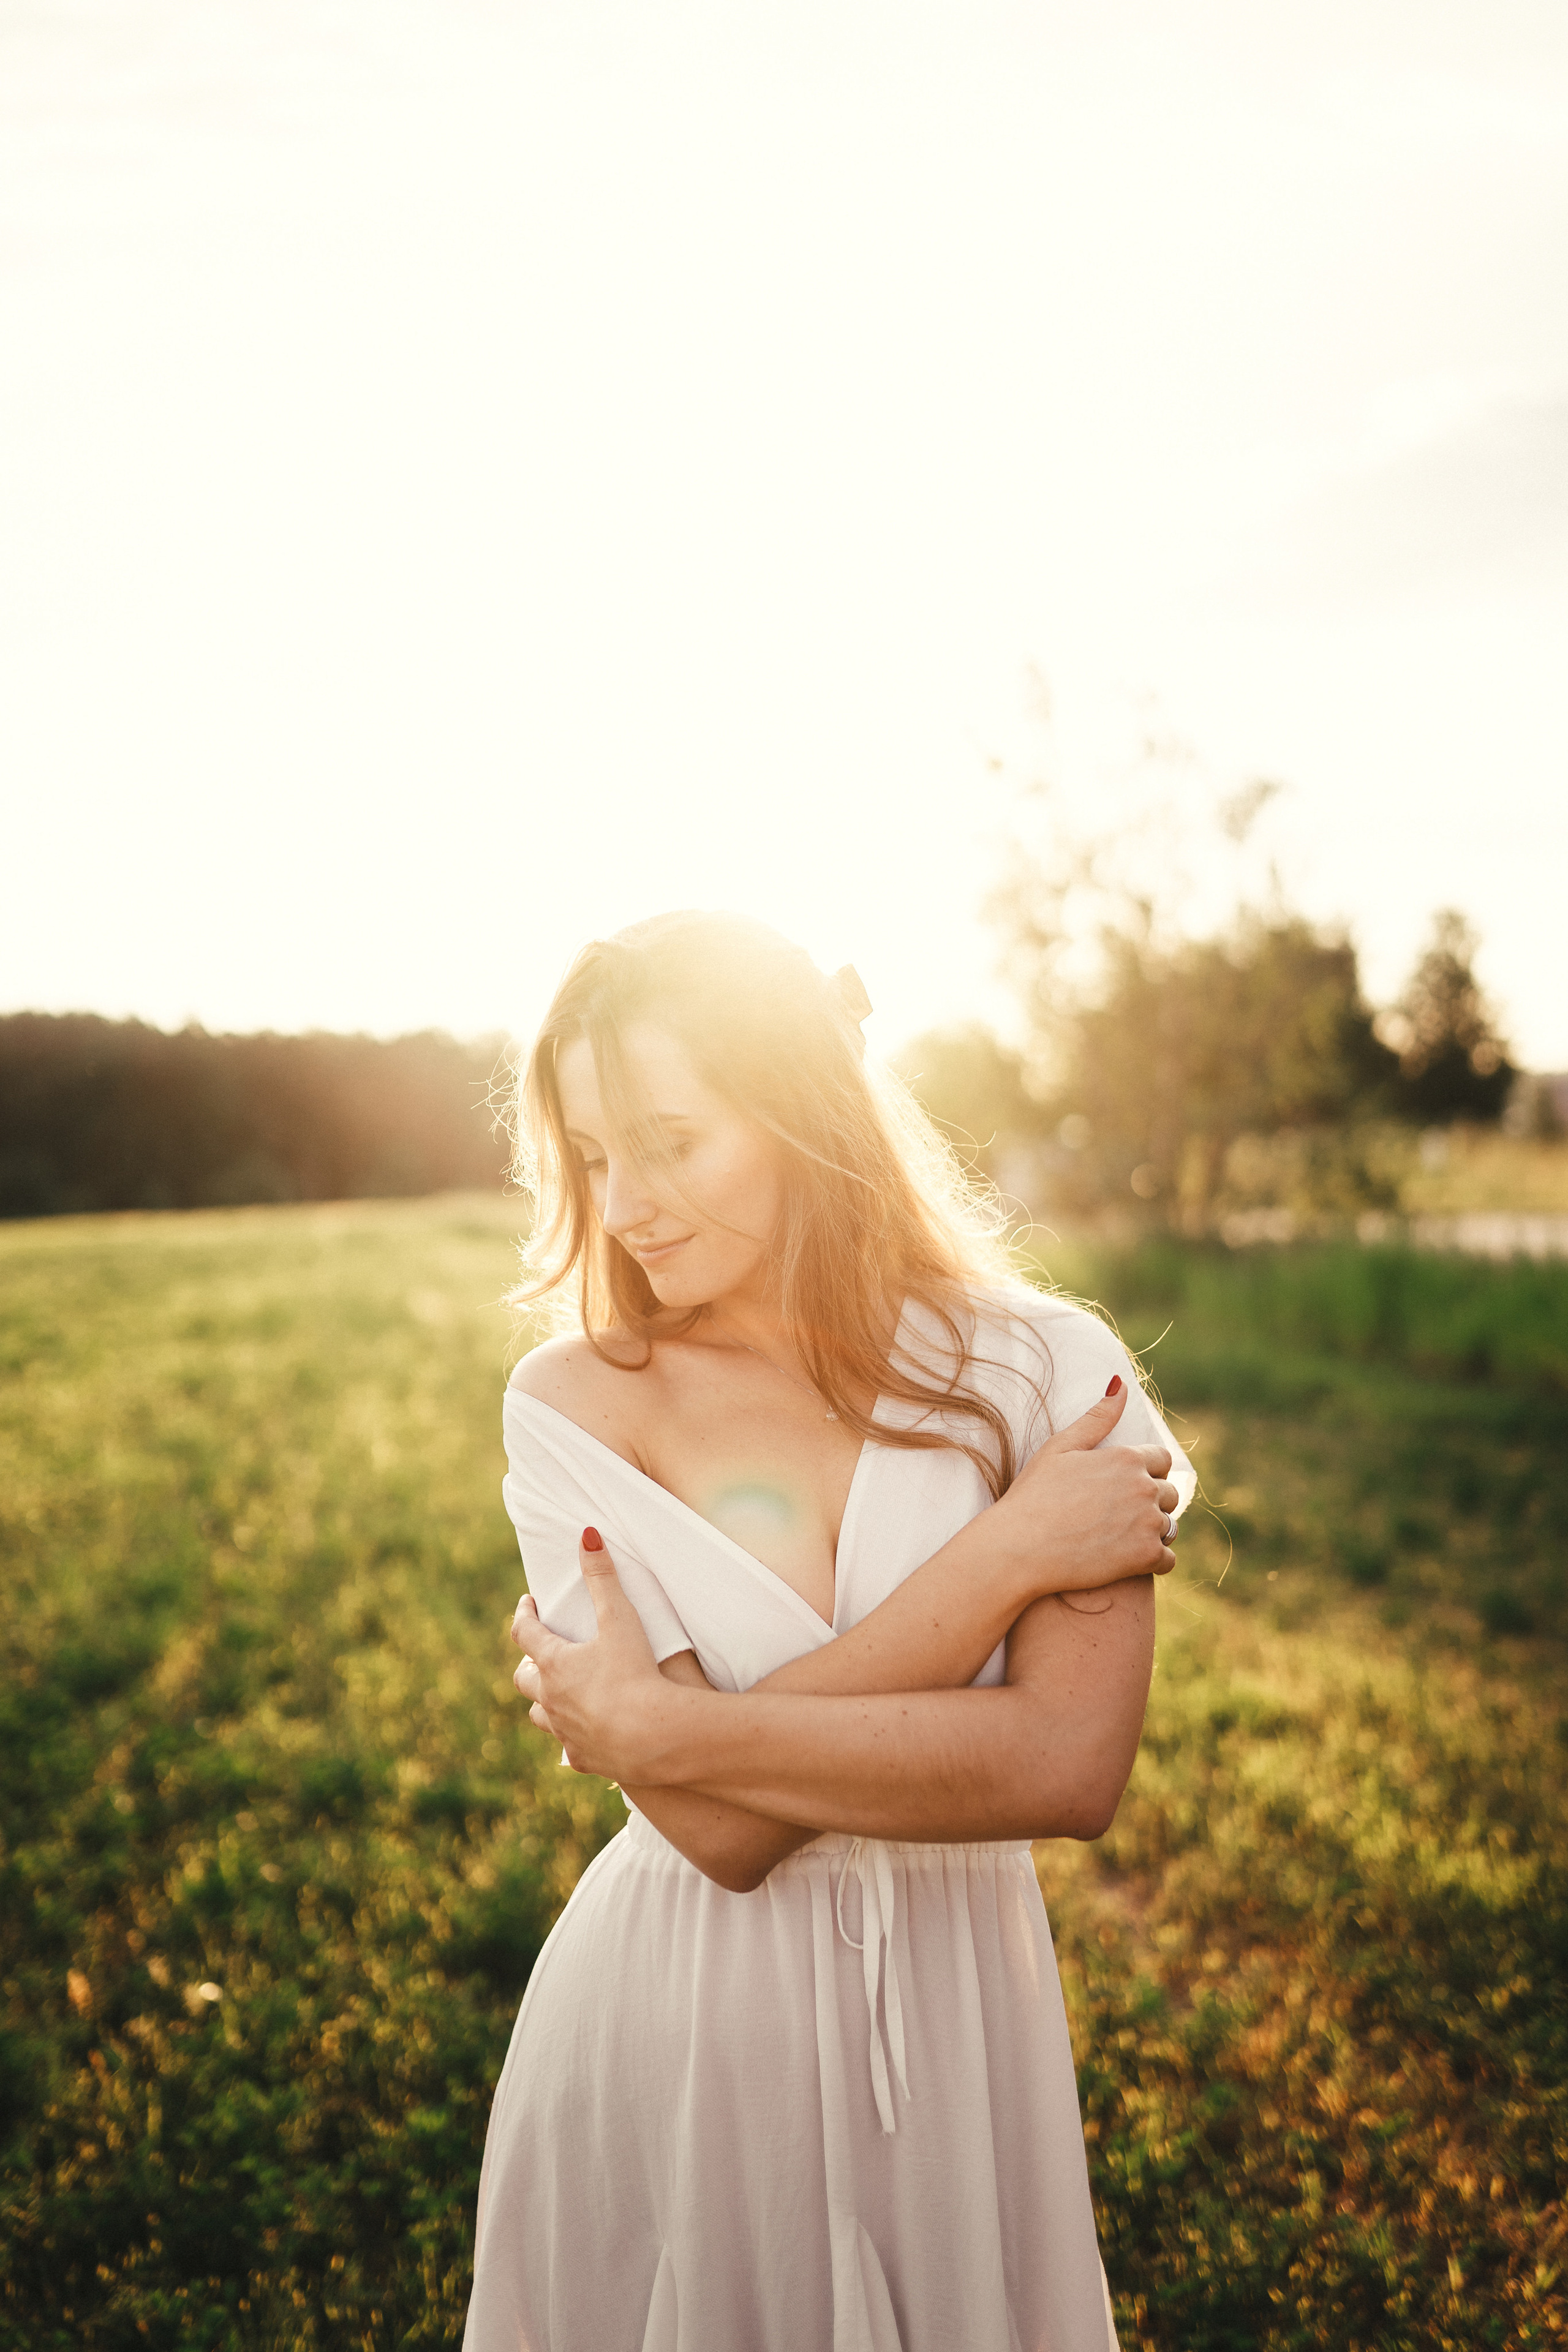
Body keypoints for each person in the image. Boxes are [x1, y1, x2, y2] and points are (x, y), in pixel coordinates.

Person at [463, 911, 1193, 2352]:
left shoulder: (1049, 1372)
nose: (626, 1206)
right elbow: (717, 1841)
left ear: (801, 1120)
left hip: (961, 2023)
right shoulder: (569, 1405)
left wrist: (666, 1732)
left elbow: (1065, 1767)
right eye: (596, 1157)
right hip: (678, 2029)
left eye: (672, 1141)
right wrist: (1001, 1562)